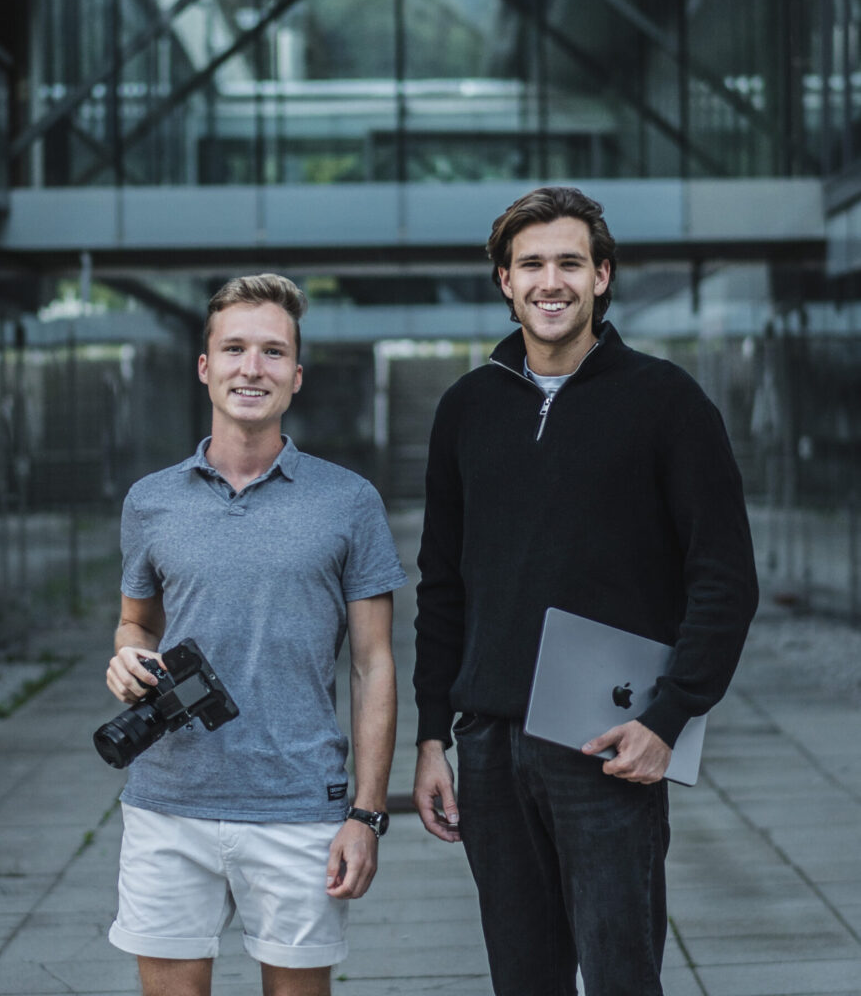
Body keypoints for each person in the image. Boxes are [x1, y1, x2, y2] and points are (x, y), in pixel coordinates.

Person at [412, 186, 758, 996]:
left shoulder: (667, 402)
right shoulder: (465, 410)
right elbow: (442, 584)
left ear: (603, 276)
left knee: (619, 978)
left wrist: (669, 719)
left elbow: (725, 577)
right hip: (491, 744)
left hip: (607, 741)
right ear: (504, 280)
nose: (550, 281)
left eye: (570, 262)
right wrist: (433, 736)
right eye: (530, 264)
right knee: (523, 980)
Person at [105, 273, 406, 996]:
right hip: (168, 801)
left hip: (300, 804)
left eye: (272, 352)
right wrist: (123, 655)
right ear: (205, 368)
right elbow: (135, 620)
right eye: (234, 349)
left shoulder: (348, 501)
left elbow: (373, 665)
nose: (252, 368)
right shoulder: (151, 501)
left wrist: (366, 813)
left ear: (296, 376)